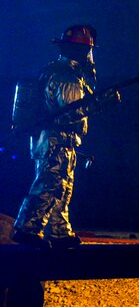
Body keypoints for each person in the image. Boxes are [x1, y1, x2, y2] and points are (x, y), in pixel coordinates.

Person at [12, 25, 119, 250]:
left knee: (62, 186)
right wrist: (102, 102)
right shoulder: (66, 75)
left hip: (59, 139)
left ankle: (59, 231)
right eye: (88, 50)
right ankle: (26, 229)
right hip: (56, 139)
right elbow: (72, 110)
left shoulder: (61, 71)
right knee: (49, 184)